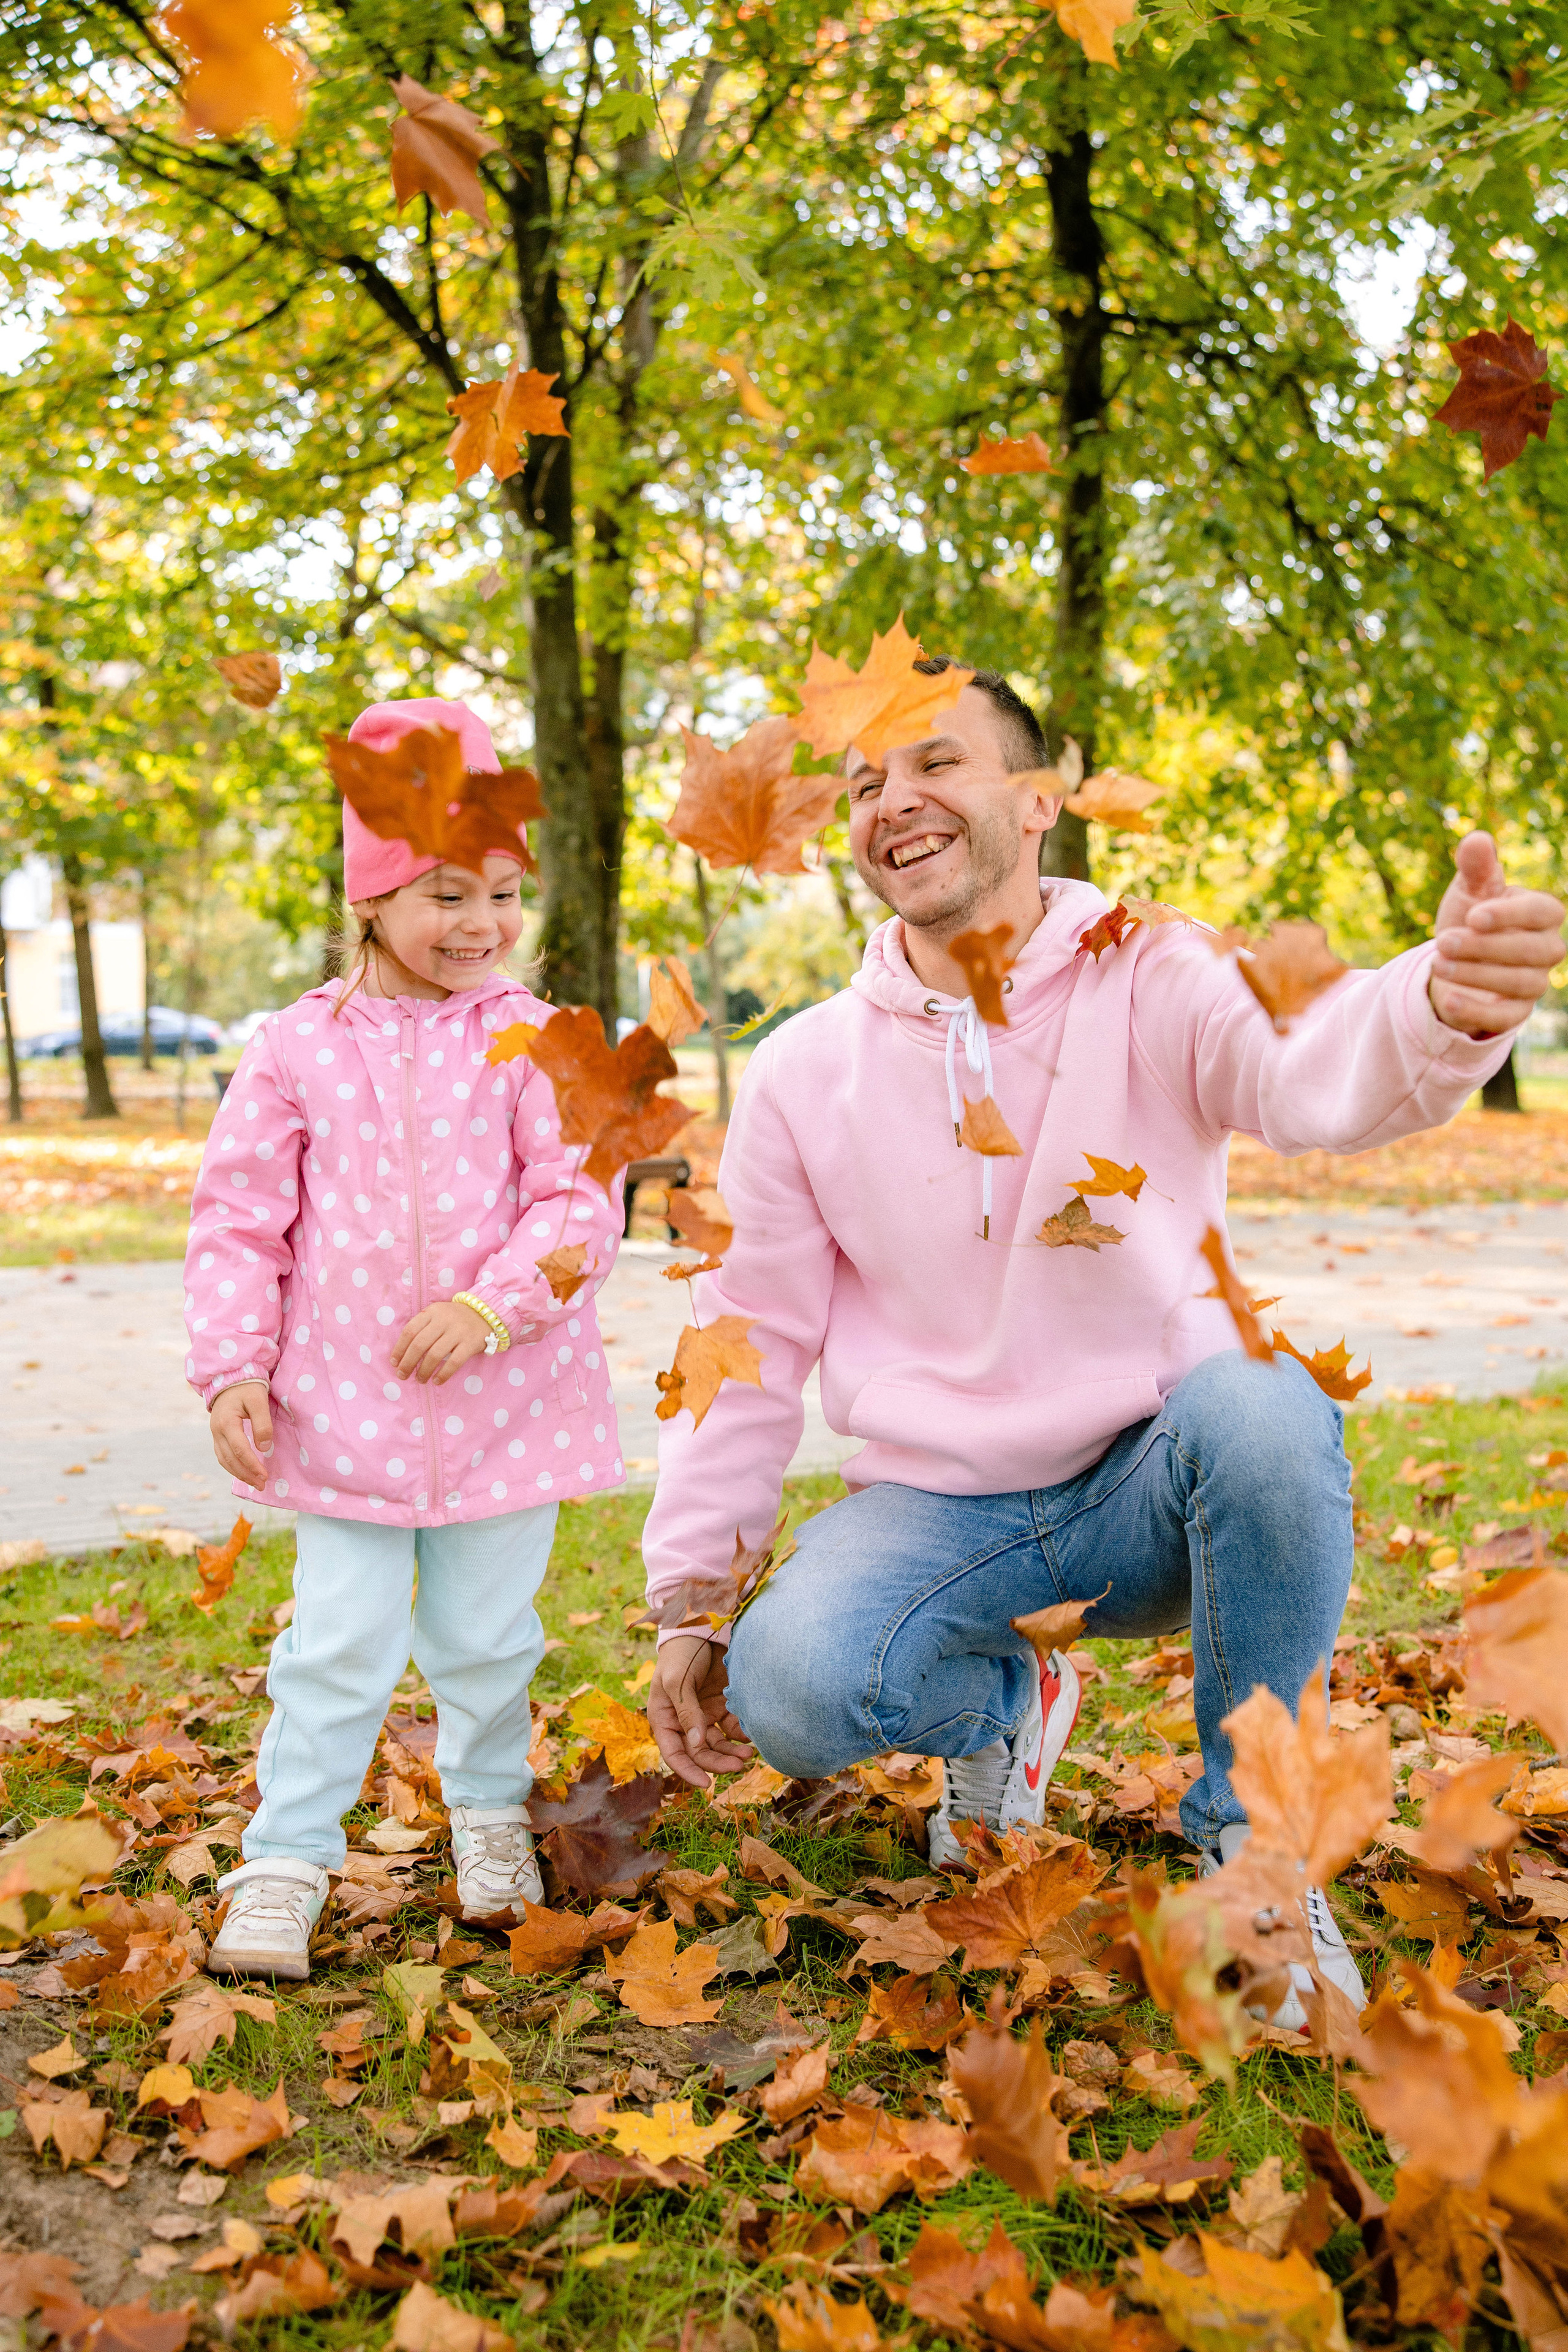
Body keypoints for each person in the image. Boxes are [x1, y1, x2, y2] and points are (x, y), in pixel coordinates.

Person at [643, 660, 1566, 2027]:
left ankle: (1252, 1852)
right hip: (934, 1510)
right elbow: (749, 1335)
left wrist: (1438, 999)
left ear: (1034, 799)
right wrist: (691, 1599)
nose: (892, 801)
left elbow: (1307, 1070)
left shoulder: (1153, 973)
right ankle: (1002, 1710)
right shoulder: (800, 1072)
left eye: (935, 765)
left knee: (1263, 1395)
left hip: (1157, 1484)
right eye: (861, 783)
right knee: (792, 1687)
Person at [183, 695, 625, 1980]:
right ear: (369, 898)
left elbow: (576, 1199)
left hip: (506, 1405)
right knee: (335, 1640)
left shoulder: (534, 1035)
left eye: (499, 893)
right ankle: (287, 1853)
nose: (480, 925)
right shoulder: (292, 1051)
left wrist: (495, 1302)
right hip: (344, 1418)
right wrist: (232, 1369)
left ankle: (488, 1812)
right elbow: (238, 1223)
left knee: (490, 1637)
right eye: (443, 894)